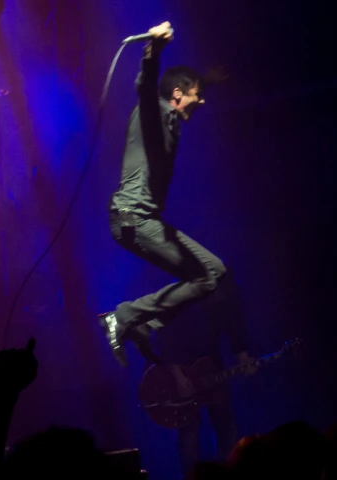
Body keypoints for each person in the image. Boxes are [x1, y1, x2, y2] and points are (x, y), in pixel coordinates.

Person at [99, 21, 227, 367]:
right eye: (197, 93)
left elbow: (177, 89)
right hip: (132, 218)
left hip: (144, 218)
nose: (201, 100)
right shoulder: (155, 110)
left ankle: (144, 323)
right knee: (205, 276)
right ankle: (125, 316)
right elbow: (146, 86)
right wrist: (153, 50)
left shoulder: (170, 117)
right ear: (177, 95)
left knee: (216, 271)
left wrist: (208, 78)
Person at [154, 272, 255, 476]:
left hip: (211, 363)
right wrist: (177, 374)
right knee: (189, 431)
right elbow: (164, 336)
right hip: (181, 368)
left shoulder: (227, 292)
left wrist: (243, 357)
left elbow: (234, 325)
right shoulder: (177, 294)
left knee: (226, 423)